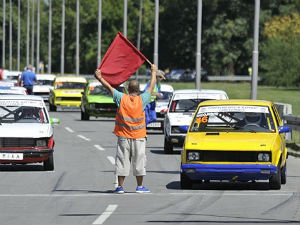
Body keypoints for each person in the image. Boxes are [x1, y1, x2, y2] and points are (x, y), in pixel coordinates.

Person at [94, 64, 163, 194]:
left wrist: (99, 77)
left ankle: (120, 187)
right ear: (138, 90)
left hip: (124, 137)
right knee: (139, 161)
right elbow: (152, 86)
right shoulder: (143, 99)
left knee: (122, 161)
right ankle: (140, 186)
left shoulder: (121, 98)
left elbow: (109, 87)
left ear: (127, 89)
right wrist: (153, 72)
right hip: (139, 137)